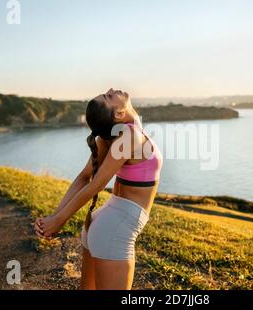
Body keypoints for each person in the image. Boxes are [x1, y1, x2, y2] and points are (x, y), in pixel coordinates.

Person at [35, 88, 163, 289]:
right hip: (115, 228)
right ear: (118, 114)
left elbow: (84, 177)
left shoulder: (118, 132)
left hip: (104, 223)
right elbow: (96, 183)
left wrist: (55, 217)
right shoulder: (128, 135)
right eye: (109, 97)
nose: (111, 89)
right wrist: (58, 219)